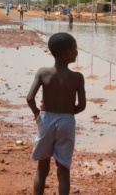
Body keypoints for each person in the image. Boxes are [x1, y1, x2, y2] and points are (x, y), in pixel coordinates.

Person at [26, 32, 87, 195]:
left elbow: (30, 98)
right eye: (75, 49)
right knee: (63, 169)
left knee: (42, 168)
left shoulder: (43, 72)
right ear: (67, 52)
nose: (77, 52)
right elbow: (82, 106)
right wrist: (68, 111)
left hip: (46, 119)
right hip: (66, 121)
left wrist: (37, 114)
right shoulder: (77, 77)